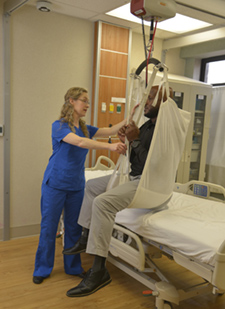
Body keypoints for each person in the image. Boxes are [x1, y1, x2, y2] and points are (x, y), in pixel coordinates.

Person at [63, 85, 173, 297]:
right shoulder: (147, 126)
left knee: (102, 203)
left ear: (163, 102)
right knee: (92, 186)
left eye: (150, 99)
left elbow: (153, 167)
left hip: (149, 185)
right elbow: (134, 159)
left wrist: (134, 140)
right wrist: (127, 141)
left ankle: (99, 271)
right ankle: (86, 235)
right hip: (135, 177)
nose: (147, 102)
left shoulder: (164, 130)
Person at [33, 87, 127, 284]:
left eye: (88, 101)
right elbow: (80, 143)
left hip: (76, 186)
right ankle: (42, 269)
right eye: (83, 100)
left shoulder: (86, 129)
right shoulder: (59, 126)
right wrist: (109, 147)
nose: (87, 105)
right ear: (71, 101)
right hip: (55, 184)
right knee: (49, 228)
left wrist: (132, 115)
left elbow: (109, 130)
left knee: (74, 228)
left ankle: (73, 267)